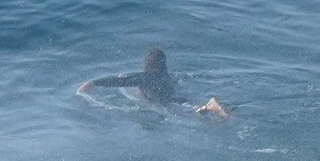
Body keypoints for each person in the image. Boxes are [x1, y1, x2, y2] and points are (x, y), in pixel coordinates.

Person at [79, 48, 233, 120]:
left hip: (168, 104)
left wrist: (92, 83)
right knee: (194, 110)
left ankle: (210, 106)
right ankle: (210, 108)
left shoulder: (142, 77)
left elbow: (118, 81)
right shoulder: (167, 76)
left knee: (193, 115)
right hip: (180, 99)